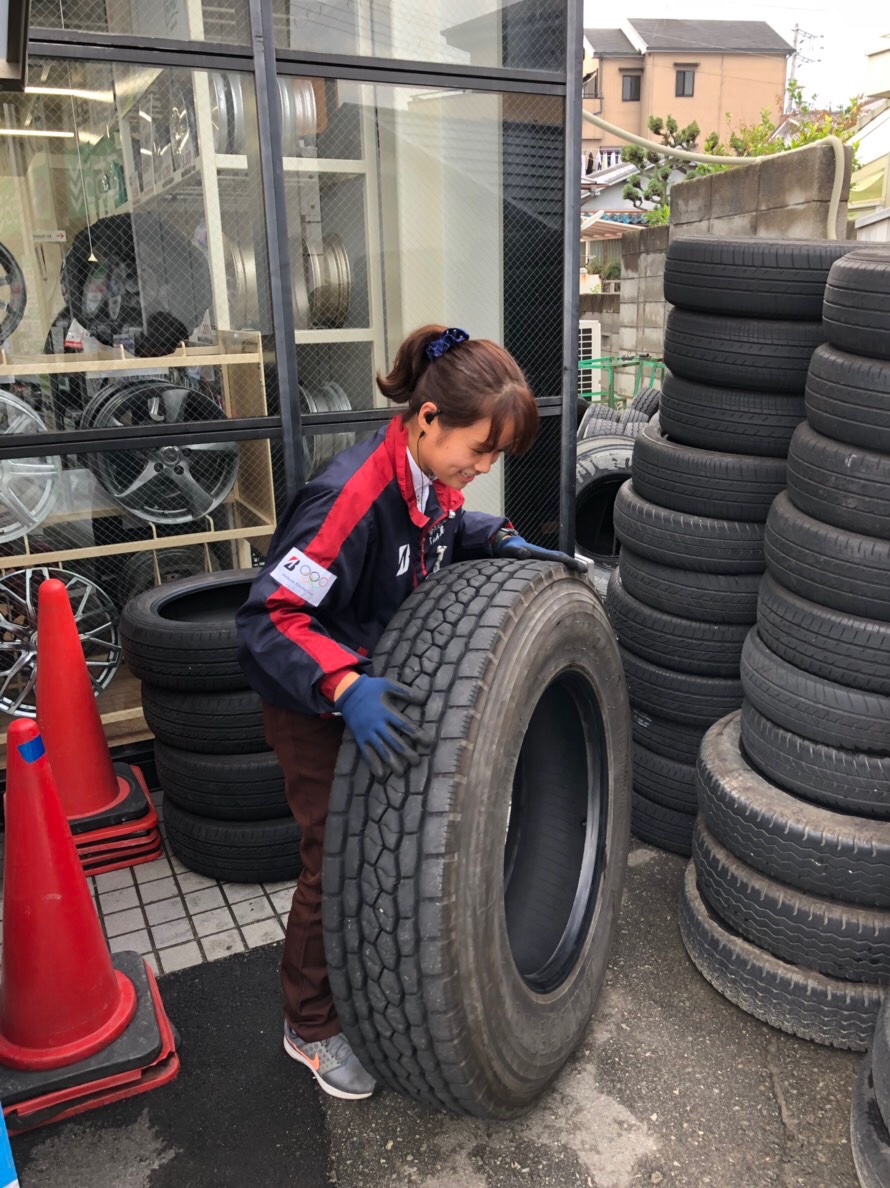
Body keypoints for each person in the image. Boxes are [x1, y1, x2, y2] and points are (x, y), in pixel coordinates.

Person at [236, 324, 584, 1101]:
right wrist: (342, 685)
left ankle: (370, 988)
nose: (483, 468)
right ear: (428, 419)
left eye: (496, 457)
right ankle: (309, 1024)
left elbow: (440, 528)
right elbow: (268, 619)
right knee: (332, 859)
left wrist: (495, 536)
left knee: (385, 851)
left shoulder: (428, 479)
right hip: (315, 704)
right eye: (480, 449)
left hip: (374, 693)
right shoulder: (348, 496)